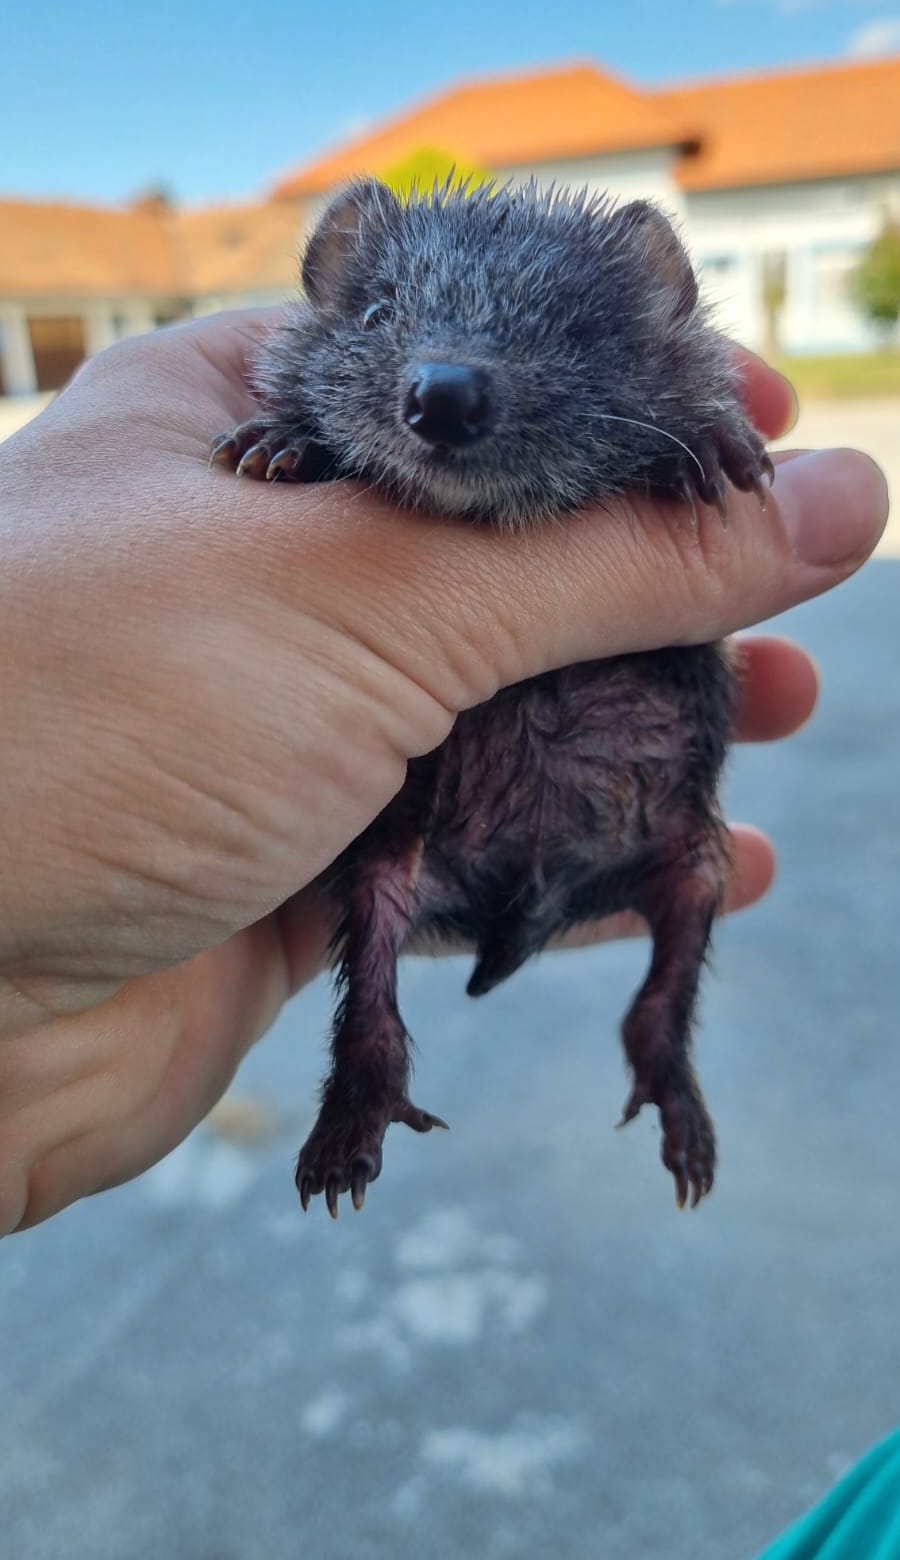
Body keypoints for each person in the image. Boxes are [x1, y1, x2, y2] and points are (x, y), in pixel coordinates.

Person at [0, 310, 887, 1239]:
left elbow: (688, 403)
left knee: (693, 866)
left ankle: (662, 1041)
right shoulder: (320, 428)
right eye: (388, 319)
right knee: (389, 874)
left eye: (562, 329)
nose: (445, 385)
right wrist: (295, 445)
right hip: (455, 829)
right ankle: (367, 1073)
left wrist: (702, 440)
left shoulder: (662, 417)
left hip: (626, 819)